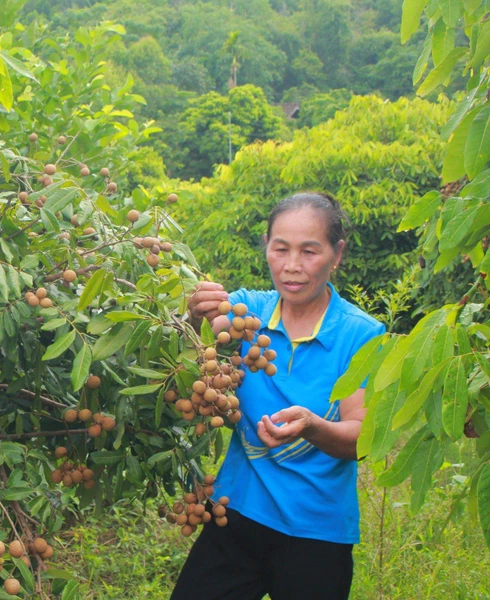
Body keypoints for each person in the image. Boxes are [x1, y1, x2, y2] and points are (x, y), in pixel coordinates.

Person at [171, 191, 386, 600]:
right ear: (266, 247)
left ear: (336, 254)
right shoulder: (246, 313)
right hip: (235, 514)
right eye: (280, 249)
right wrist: (193, 314)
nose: (292, 267)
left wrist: (312, 426)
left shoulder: (361, 335)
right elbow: (190, 343)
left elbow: (362, 439)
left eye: (309, 251)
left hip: (317, 533)